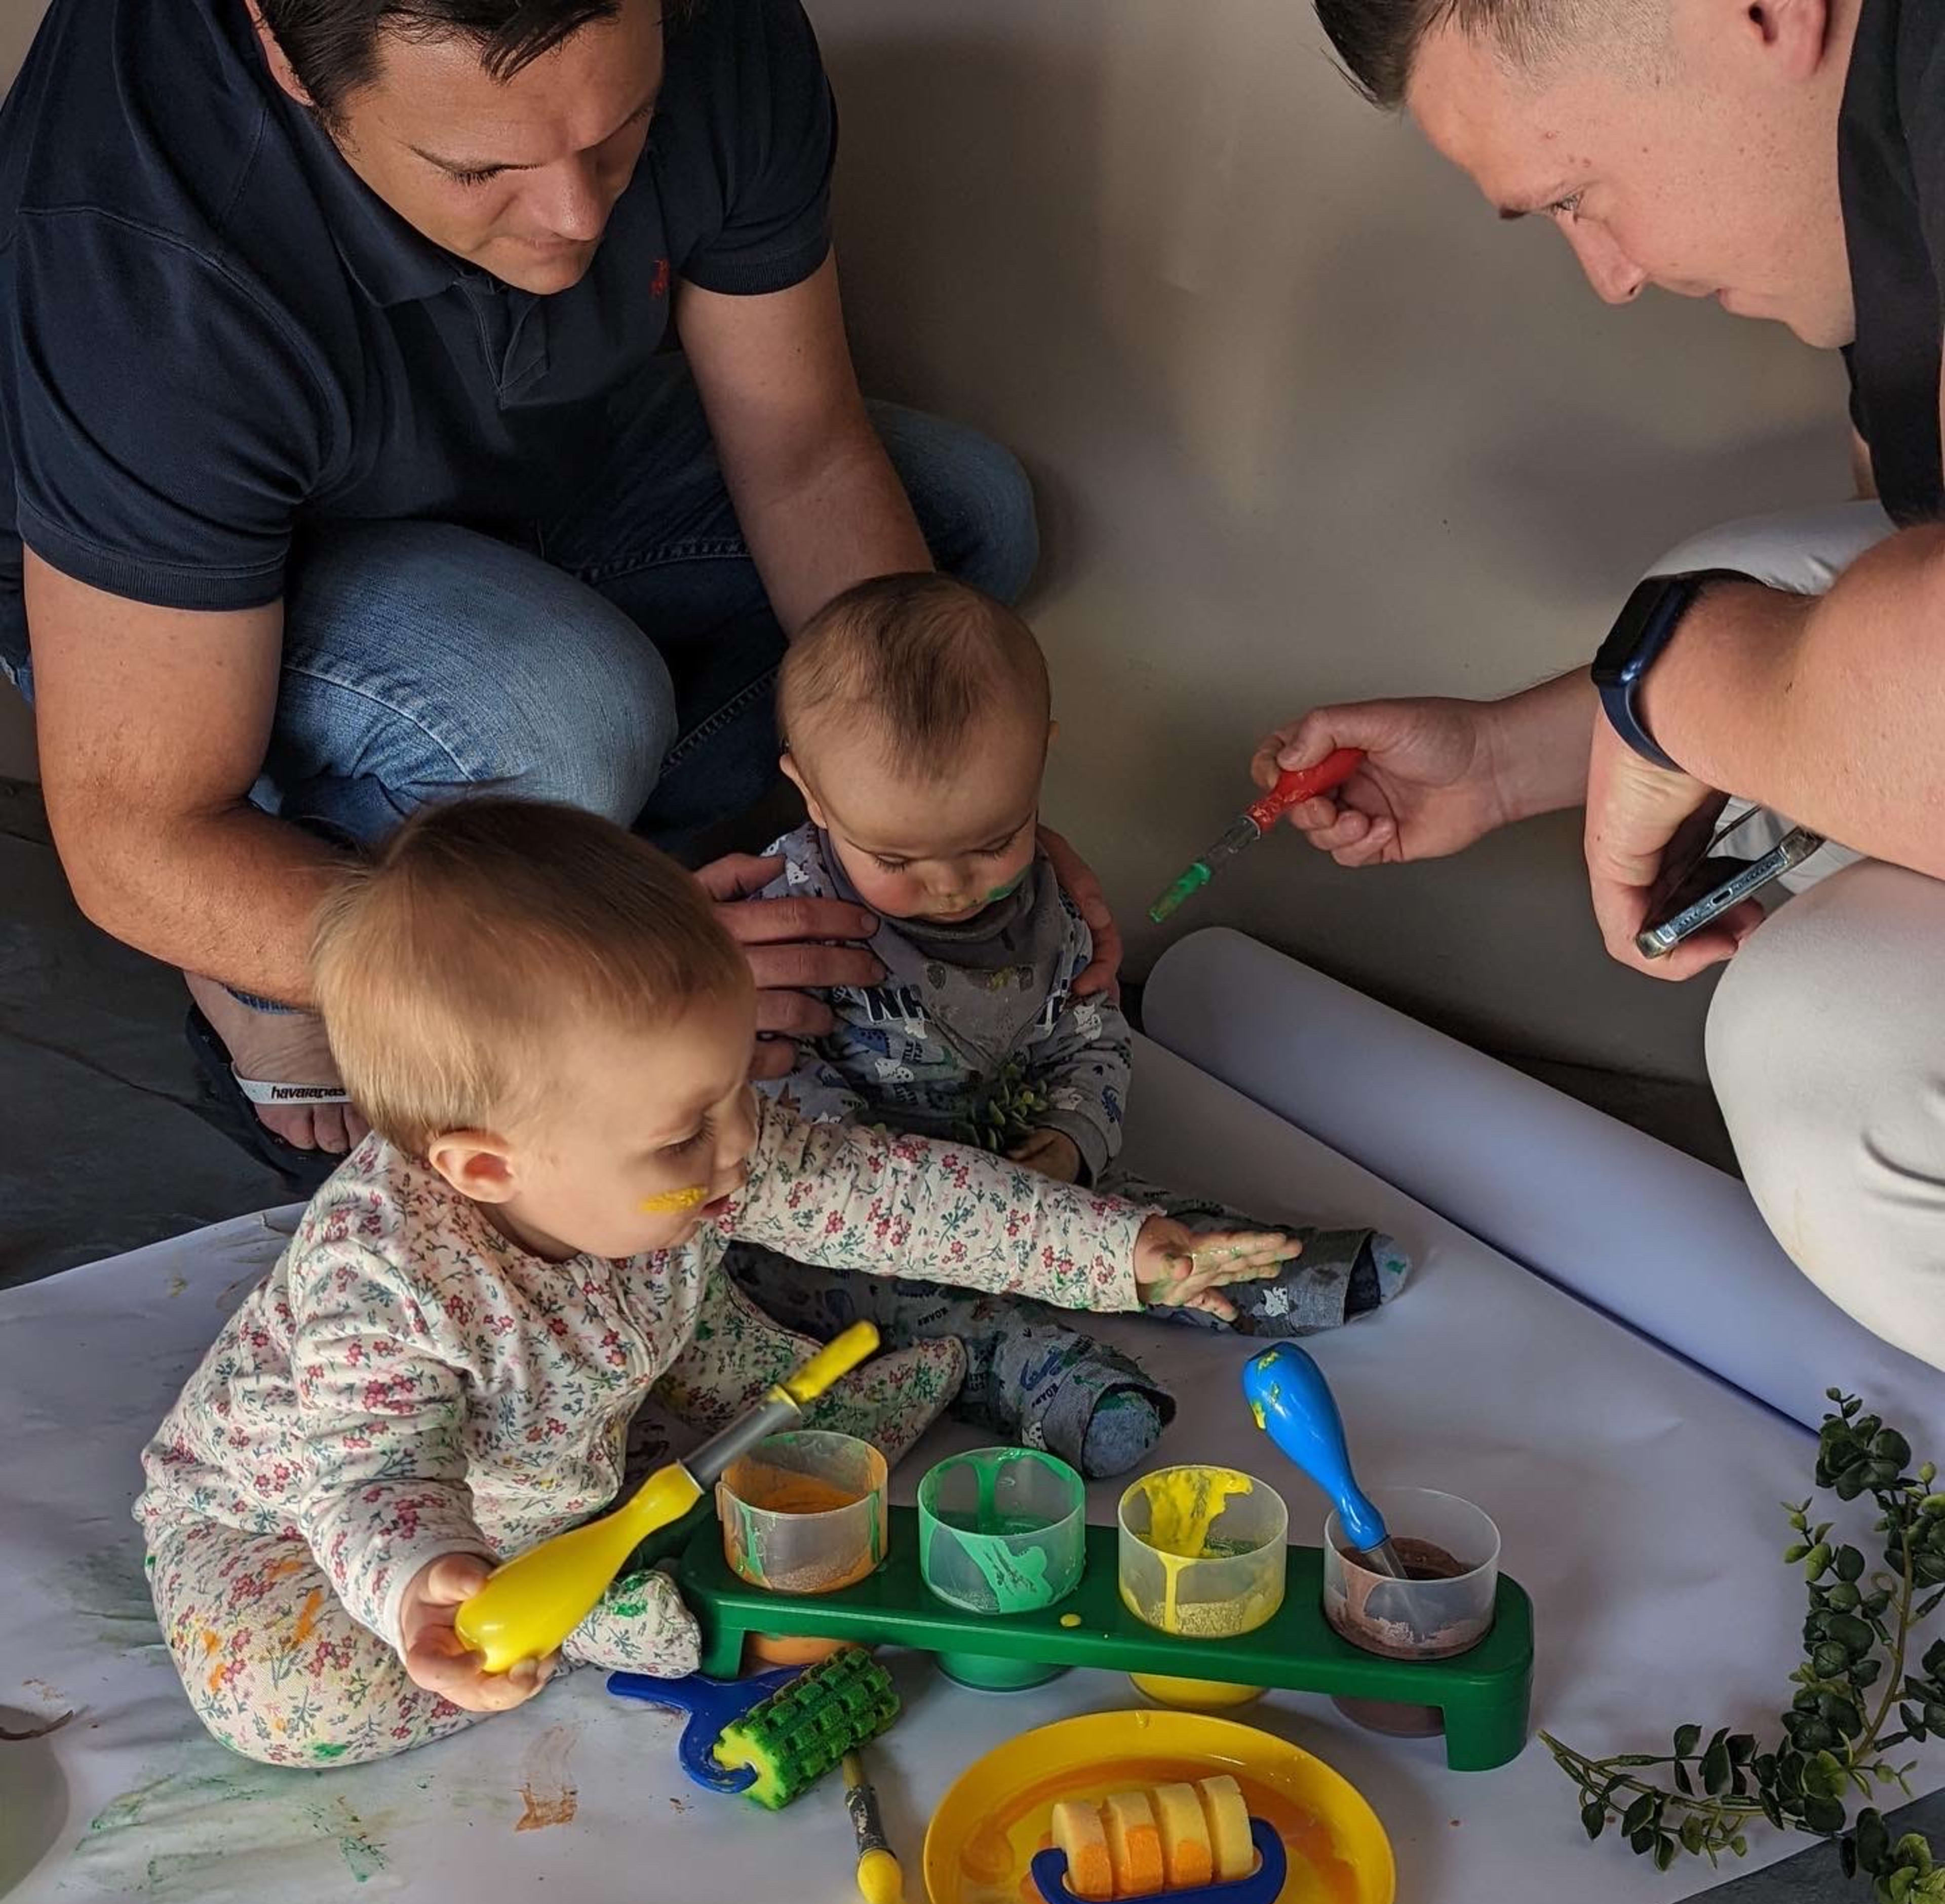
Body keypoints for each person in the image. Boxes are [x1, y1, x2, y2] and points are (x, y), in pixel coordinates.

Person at [0, 0, 1117, 1187]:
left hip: (515, 452)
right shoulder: (141, 253)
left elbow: (805, 455)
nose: (577, 218)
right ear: (285, 54)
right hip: (175, 617)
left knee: (960, 524)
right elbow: (134, 835)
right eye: (483, 167)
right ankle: (302, 921)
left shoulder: (722, 35)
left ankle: (544, 851)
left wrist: (936, 818)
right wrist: (603, 972)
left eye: (621, 130)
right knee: (560, 711)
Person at [133, 796, 1287, 1768]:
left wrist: (1120, 1251)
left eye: (741, 1084)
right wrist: (427, 1587)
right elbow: (375, 1475)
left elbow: (897, 1196)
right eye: (686, 1132)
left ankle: (718, 1459)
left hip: (582, 1418)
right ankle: (599, 1610)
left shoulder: (672, 1160)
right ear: (490, 1167)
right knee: (286, 1699)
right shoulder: (378, 1288)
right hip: (301, 1516)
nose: (742, 1143)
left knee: (749, 1329)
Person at [1253, 0, 1945, 1368]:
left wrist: (1663, 684)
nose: (1613, 276)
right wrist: (1524, 754)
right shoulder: (1889, 180)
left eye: (1580, 197)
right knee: (1730, 587)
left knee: (1824, 1054)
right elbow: (1888, 601)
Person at [724, 572, 1408, 1475]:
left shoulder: (1050, 895)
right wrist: (920, 1188)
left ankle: (1234, 1267)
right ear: (809, 794)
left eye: (992, 841)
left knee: (1122, 1213)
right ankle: (1052, 1384)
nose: (954, 884)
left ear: (1039, 765)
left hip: (1020, 1168)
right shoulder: (789, 916)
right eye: (895, 858)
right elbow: (769, 1089)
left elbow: (1091, 1030)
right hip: (856, 1218)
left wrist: (1068, 1142)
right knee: (915, 1309)